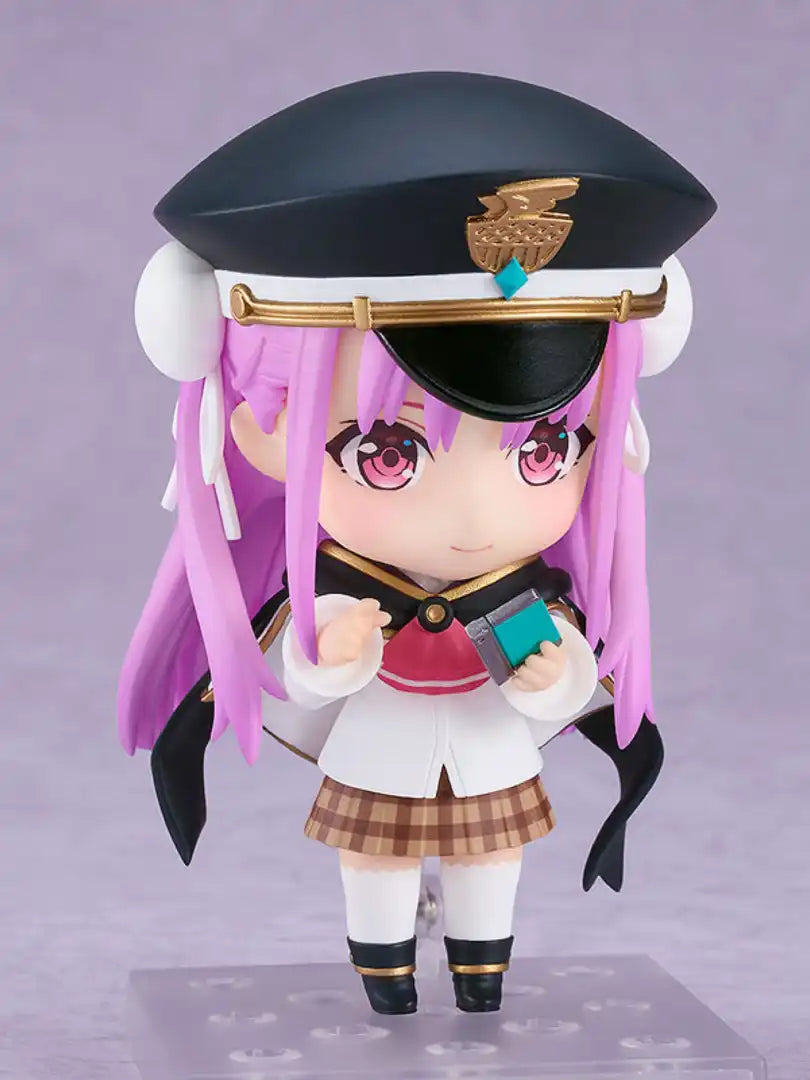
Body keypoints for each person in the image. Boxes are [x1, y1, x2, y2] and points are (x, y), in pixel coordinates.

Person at [118, 72, 716, 1015]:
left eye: (545, 451)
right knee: (375, 869)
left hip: (489, 754)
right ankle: (384, 973)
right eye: (388, 454)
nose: (475, 515)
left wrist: (558, 680)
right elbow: (291, 678)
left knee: (493, 862)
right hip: (379, 754)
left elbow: (572, 685)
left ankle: (482, 969)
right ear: (261, 434)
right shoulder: (341, 594)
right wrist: (328, 659)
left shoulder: (520, 605)